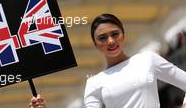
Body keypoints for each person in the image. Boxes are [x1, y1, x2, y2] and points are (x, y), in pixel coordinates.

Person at [29, 14, 186, 108]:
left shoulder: (147, 59)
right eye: (102, 38)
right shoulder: (94, 83)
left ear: (123, 35)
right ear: (96, 45)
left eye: (115, 34)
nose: (110, 41)